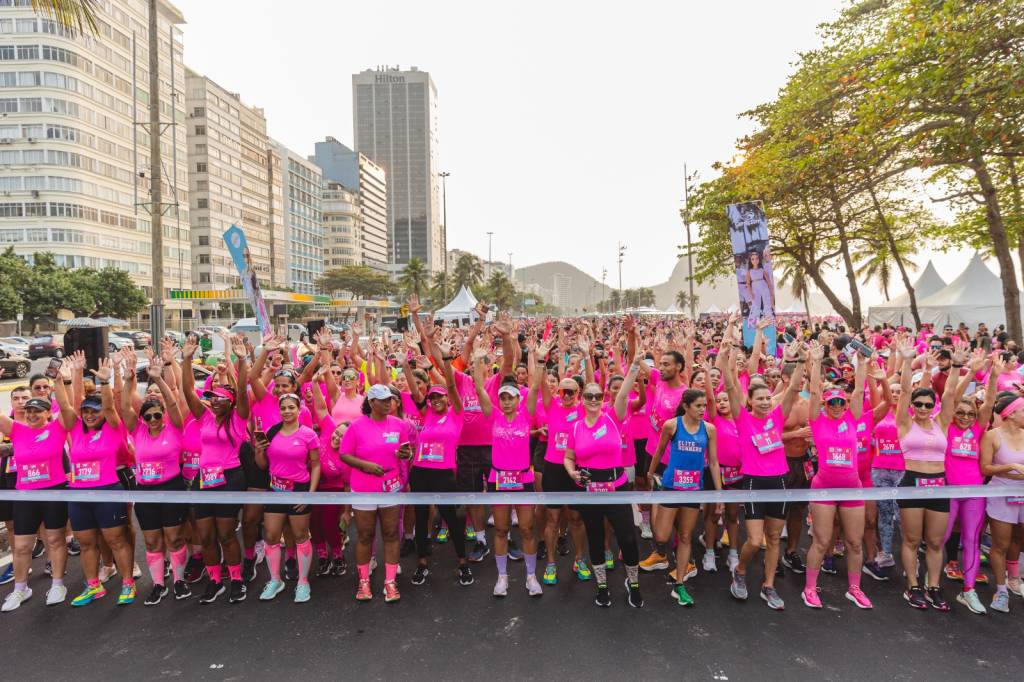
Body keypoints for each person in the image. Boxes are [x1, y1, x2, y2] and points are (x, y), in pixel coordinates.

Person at [723, 335, 805, 610]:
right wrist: (727, 359)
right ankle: (741, 570)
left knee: (773, 539)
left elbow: (793, 388)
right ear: (750, 401)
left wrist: (798, 360)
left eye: (767, 398)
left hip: (779, 481)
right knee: (755, 540)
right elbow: (732, 387)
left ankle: (768, 585)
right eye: (759, 399)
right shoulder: (743, 419)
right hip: (754, 483)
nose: (765, 402)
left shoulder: (777, 416)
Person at [180, 335, 252, 605]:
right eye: (212, 397)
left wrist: (242, 359)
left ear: (231, 402)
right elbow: (189, 391)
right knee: (206, 535)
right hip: (204, 478)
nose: (214, 401)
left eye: (221, 398)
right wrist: (186, 359)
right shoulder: (205, 418)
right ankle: (214, 580)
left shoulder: (238, 419)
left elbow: (243, 389)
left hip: (231, 478)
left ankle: (235, 579)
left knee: (225, 534)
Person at [59, 358, 136, 607]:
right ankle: (94, 586)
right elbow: (66, 403)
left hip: (107, 491)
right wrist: (62, 379)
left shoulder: (113, 428)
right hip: (79, 495)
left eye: (95, 410)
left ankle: (127, 583)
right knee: (87, 543)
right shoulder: (76, 429)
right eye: (87, 411)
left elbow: (112, 408)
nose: (90, 415)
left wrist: (104, 381)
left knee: (116, 541)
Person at [801, 344, 873, 609]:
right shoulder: (817, 421)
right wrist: (817, 362)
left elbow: (859, 391)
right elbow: (815, 392)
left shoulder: (852, 419)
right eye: (832, 402)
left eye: (840, 401)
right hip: (823, 489)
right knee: (821, 541)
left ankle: (854, 588)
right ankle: (810, 588)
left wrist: (862, 364)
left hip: (852, 489)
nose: (837, 405)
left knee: (854, 542)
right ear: (825, 404)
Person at [565, 379, 644, 608]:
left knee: (627, 537)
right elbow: (569, 457)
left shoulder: (613, 417)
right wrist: (572, 473)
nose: (593, 400)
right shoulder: (576, 427)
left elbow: (624, 393)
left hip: (616, 487)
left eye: (597, 396)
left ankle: (634, 583)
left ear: (603, 398)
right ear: (582, 399)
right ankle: (602, 585)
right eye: (588, 396)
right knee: (595, 538)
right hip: (589, 489)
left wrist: (635, 366)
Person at [121, 359, 191, 605]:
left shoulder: (174, 428)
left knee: (174, 538)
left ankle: (179, 580)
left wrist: (159, 378)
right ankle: (159, 584)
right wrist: (128, 381)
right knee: (152, 541)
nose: (152, 419)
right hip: (146, 492)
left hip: (171, 489)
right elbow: (124, 408)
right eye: (148, 416)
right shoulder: (138, 431)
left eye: (157, 415)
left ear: (163, 416)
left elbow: (173, 402)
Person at [407, 329, 473, 588]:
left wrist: (445, 360)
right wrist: (406, 364)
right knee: (421, 518)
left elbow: (453, 387)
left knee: (451, 517)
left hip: (444, 473)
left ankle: (462, 562)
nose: (434, 401)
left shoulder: (456, 413)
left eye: (438, 397)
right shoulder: (427, 414)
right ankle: (422, 562)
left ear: (447, 398)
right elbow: (414, 392)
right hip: (420, 471)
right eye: (432, 398)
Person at [338, 384, 415, 602]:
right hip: (363, 488)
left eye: (390, 399)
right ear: (371, 403)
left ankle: (390, 582)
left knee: (391, 534)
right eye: (382, 400)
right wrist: (366, 465)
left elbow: (405, 451)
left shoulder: (399, 425)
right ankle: (364, 582)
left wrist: (405, 454)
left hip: (391, 486)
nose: (388, 403)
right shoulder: (356, 426)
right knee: (364, 535)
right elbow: (344, 454)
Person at [893, 340, 953, 611]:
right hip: (912, 483)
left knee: (935, 542)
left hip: (939, 484)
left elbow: (951, 393)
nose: (923, 408)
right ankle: (913, 586)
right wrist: (906, 361)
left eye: (928, 404)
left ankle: (935, 586)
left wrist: (959, 366)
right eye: (919, 403)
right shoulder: (904, 423)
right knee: (911, 539)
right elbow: (905, 390)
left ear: (934, 405)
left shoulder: (941, 422)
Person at [0, 384, 70, 611]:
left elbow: (69, 406)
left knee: (54, 540)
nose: (31, 415)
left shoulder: (57, 428)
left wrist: (63, 382)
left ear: (48, 413)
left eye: (37, 411)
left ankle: (58, 584)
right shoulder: (17, 431)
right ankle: (20, 589)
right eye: (29, 411)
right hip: (26, 495)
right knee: (21, 546)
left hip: (54, 491)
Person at [650, 388, 722, 606]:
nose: (703, 410)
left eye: (704, 406)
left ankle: (680, 585)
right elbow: (659, 451)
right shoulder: (672, 426)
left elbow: (714, 462)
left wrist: (719, 495)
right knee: (661, 536)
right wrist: (650, 474)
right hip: (671, 487)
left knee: (685, 537)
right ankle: (656, 505)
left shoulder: (709, 429)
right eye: (698, 406)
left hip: (693, 489)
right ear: (686, 406)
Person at [478, 360, 543, 598]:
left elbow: (535, 388)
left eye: (511, 398)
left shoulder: (526, 415)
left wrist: (542, 361)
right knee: (502, 529)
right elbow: (479, 389)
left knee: (526, 529)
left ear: (518, 400)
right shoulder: (493, 415)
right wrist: (477, 362)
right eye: (503, 397)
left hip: (523, 479)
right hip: (499, 480)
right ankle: (502, 577)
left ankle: (531, 576)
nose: (506, 402)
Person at [942, 352, 998, 614]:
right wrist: (969, 373)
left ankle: (969, 590)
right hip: (947, 491)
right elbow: (951, 397)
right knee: (938, 538)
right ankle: (925, 582)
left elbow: (988, 402)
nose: (965, 416)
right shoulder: (948, 426)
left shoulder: (979, 429)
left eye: (970, 414)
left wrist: (994, 375)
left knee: (971, 540)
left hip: (974, 492)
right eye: (960, 413)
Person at [254, 393, 320, 603]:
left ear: (299, 410)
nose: (287, 411)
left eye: (291, 407)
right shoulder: (271, 432)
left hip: (299, 489)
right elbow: (263, 465)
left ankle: (302, 582)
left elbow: (316, 465)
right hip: (275, 489)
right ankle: (275, 580)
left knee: (301, 536)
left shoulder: (309, 435)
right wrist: (258, 452)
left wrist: (310, 495)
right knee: (272, 536)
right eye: (283, 408)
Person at [980, 393, 1024, 613]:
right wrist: (1011, 467)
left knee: (1018, 538)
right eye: (1023, 410)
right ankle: (1000, 590)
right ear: (1011, 414)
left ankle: (1014, 580)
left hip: (1023, 493)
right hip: (1000, 491)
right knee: (1001, 544)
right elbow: (985, 468)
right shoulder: (992, 436)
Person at [744, 250, 775, 327]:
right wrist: (750, 293)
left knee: (767, 304)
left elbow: (768, 282)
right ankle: (753, 325)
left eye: (756, 258)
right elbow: (748, 284)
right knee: (755, 306)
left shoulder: (762, 270)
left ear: (759, 260)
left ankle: (770, 323)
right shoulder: (749, 271)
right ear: (750, 261)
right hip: (754, 288)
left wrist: (771, 292)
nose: (755, 260)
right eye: (753, 259)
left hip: (764, 286)